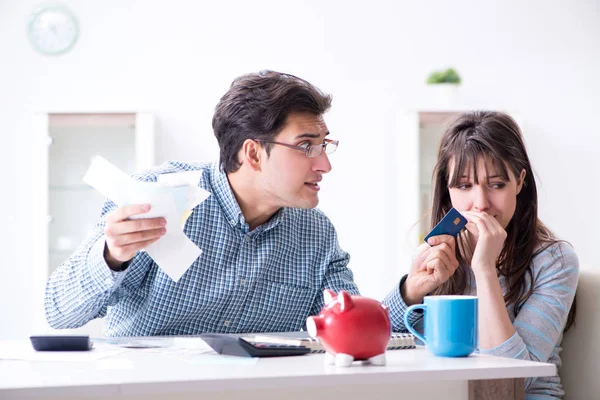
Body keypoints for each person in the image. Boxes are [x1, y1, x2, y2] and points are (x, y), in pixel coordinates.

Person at [44, 70, 405, 337]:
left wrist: (411, 292)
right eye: (306, 146)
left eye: (325, 145)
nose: (324, 163)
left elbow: (352, 331)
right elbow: (58, 312)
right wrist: (111, 255)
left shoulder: (315, 233)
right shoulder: (157, 198)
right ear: (253, 153)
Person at [383, 111, 578, 399]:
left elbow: (513, 379)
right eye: (464, 186)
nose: (481, 203)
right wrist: (411, 290)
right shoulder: (437, 252)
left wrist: (484, 269)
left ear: (520, 181)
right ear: (447, 189)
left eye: (497, 184)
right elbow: (375, 344)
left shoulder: (554, 260)